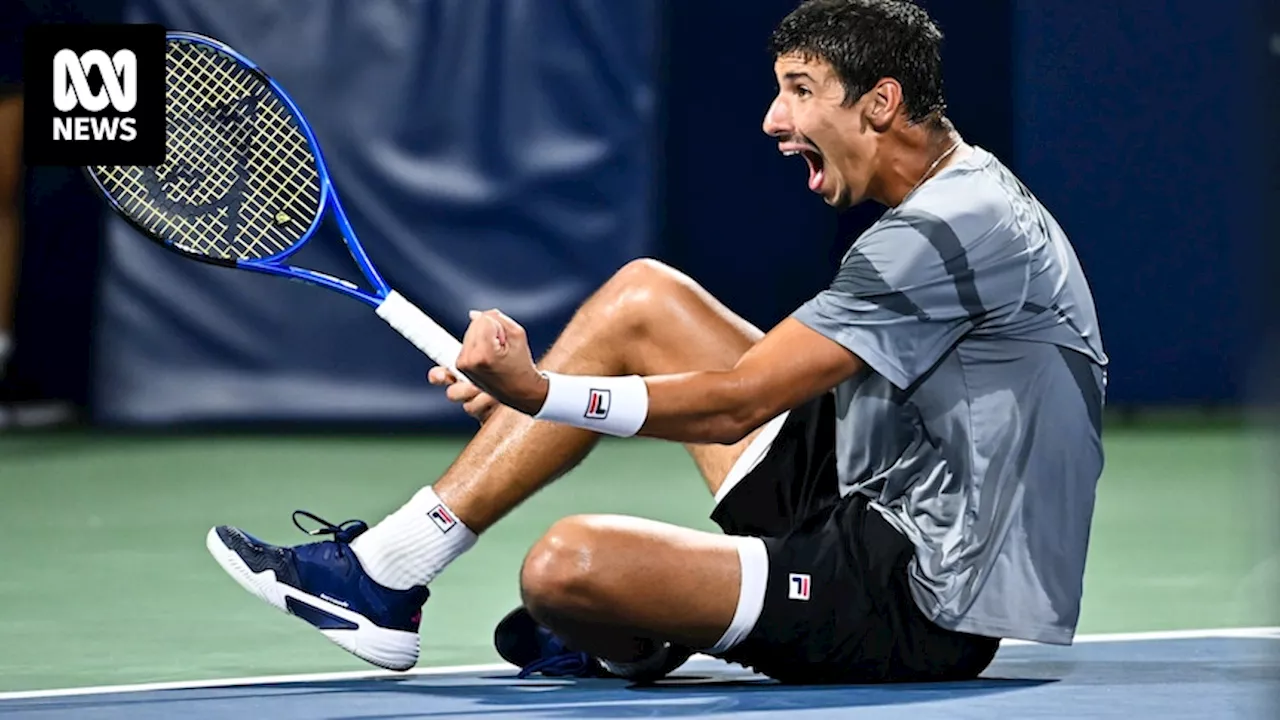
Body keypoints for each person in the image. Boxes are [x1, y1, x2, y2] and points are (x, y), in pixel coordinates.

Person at [208, 0, 1107, 685]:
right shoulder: (958, 192)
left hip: (918, 590)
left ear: (881, 102)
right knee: (644, 298)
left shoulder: (947, 231)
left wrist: (540, 394)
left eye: (800, 91)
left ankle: (648, 622)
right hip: (868, 482)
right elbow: (778, 388)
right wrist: (543, 381)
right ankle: (388, 572)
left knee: (568, 569)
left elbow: (739, 401)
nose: (772, 119)